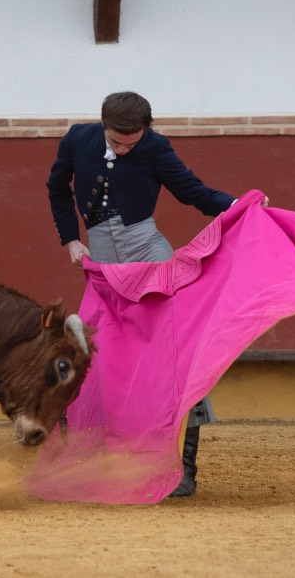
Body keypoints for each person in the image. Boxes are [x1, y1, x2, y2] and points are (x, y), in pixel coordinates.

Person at [46, 91, 255, 498]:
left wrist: (241, 206)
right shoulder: (77, 139)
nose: (125, 150)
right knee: (100, 357)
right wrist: (71, 239)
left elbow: (194, 192)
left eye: (133, 143)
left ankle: (184, 468)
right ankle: (100, 461)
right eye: (117, 142)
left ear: (147, 130)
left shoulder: (155, 146)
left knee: (174, 354)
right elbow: (56, 188)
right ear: (102, 125)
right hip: (103, 262)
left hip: (150, 256)